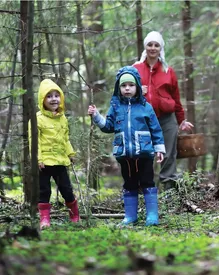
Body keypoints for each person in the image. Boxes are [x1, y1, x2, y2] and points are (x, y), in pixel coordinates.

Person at [87, 66, 165, 226]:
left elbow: (156, 129)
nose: (127, 88)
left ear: (137, 86)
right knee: (129, 183)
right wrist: (96, 116)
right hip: (124, 155)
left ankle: (152, 215)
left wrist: (159, 149)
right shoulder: (115, 107)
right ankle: (130, 216)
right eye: (123, 85)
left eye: (131, 85)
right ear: (119, 88)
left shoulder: (146, 107)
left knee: (147, 182)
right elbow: (108, 126)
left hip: (144, 154)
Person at [133, 31, 194, 190]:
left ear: (161, 48)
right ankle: (143, 190)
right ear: (145, 47)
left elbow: (176, 97)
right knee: (144, 154)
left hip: (166, 119)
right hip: (143, 119)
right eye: (150, 45)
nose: (153, 48)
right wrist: (139, 91)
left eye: (156, 45)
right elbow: (124, 92)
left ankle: (169, 192)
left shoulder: (168, 71)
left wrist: (181, 120)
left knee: (168, 155)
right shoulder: (135, 69)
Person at [29, 79, 80, 229]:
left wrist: (70, 153)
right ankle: (44, 219)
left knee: (66, 189)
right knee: (44, 191)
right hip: (44, 162)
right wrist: (38, 159)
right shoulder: (37, 119)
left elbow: (65, 138)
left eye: (56, 95)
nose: (53, 99)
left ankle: (74, 214)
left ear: (61, 98)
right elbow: (34, 141)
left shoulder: (62, 118)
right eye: (49, 96)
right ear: (42, 99)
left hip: (60, 161)